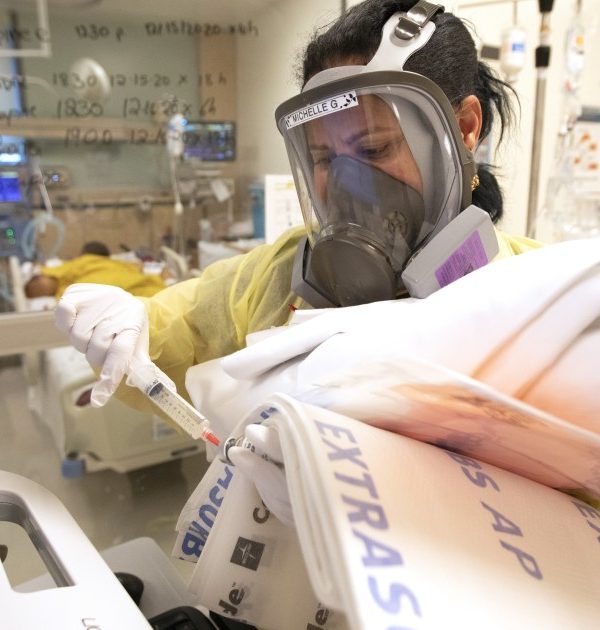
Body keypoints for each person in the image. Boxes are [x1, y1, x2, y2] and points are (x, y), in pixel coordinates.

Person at [55, 0, 541, 410]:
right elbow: (182, 329)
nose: (347, 183)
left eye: (373, 149)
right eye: (323, 158)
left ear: (465, 128)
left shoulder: (542, 297)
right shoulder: (273, 276)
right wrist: (133, 326)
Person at [25, 240, 166, 300]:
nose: (40, 289)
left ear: (40, 276)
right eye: (38, 293)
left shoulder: (63, 269)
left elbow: (93, 264)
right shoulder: (65, 294)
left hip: (132, 276)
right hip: (144, 289)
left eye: (37, 284)